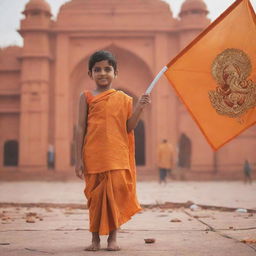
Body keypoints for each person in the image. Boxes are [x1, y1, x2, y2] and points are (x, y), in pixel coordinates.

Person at [75, 50, 150, 251]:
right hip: (93, 155)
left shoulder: (125, 99)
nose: (102, 73)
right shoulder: (86, 97)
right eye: (97, 69)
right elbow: (80, 128)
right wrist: (78, 159)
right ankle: (95, 240)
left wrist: (140, 109)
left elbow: (128, 127)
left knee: (114, 198)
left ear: (115, 72)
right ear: (90, 73)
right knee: (95, 199)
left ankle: (112, 239)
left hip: (117, 155)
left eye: (107, 69)